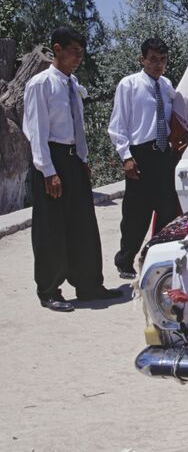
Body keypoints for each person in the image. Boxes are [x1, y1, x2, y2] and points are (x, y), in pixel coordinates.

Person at [22, 27, 122, 311]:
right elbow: (37, 131)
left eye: (81, 52)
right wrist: (48, 171)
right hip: (50, 158)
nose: (79, 57)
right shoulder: (40, 84)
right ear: (57, 48)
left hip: (73, 159)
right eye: (74, 51)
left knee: (83, 224)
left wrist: (83, 159)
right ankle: (50, 290)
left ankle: (89, 284)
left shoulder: (72, 83)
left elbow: (77, 125)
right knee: (51, 227)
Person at [108, 38, 179, 279]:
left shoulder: (168, 86)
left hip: (163, 155)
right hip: (140, 154)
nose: (158, 65)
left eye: (162, 60)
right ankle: (125, 260)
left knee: (167, 208)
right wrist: (126, 157)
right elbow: (117, 125)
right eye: (152, 60)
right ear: (142, 60)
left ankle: (152, 255)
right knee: (136, 213)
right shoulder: (128, 85)